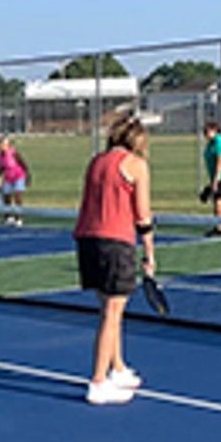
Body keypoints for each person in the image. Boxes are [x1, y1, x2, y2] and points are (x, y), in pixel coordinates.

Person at [73, 115, 156, 405]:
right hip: (115, 243)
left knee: (110, 309)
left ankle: (117, 368)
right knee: (112, 312)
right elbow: (143, 215)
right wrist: (150, 253)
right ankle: (97, 382)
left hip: (87, 240)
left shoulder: (96, 161)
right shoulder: (137, 166)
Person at [0, 136, 30, 226]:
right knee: (7, 197)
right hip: (8, 178)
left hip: (18, 176)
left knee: (18, 197)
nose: (0, 146)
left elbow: (23, 163)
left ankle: (18, 218)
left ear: (7, 145)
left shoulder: (13, 153)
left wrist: (27, 176)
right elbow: (1, 168)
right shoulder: (1, 155)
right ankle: (8, 217)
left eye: (2, 144)